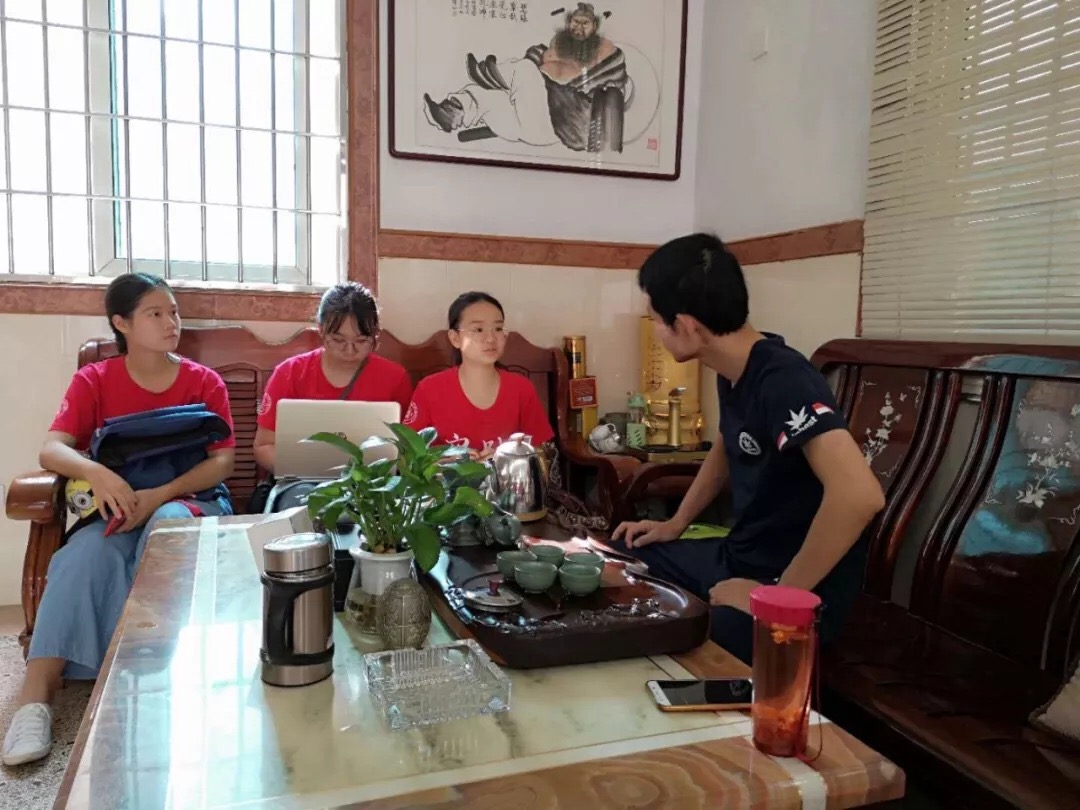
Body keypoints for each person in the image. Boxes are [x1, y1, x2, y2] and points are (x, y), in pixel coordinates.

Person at [612, 234, 885, 664]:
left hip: (799, 589)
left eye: (657, 320)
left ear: (687, 326)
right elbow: (727, 443)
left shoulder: (785, 379)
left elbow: (860, 496)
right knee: (621, 560)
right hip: (740, 557)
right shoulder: (734, 367)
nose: (657, 331)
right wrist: (675, 523)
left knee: (687, 638)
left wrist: (776, 597)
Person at [1, 273, 236, 766]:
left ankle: (144, 682)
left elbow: (222, 462)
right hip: (118, 507)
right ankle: (34, 701)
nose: (172, 322)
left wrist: (161, 495)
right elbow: (52, 448)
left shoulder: (203, 381)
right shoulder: (95, 380)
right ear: (121, 323)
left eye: (173, 311)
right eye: (156, 313)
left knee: (168, 529)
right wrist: (97, 474)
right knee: (82, 556)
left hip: (186, 499)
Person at [253, 282, 413, 474]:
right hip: (302, 479)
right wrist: (303, 470)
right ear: (321, 329)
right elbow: (264, 446)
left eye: (361, 341)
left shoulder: (395, 378)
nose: (349, 350)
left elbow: (408, 447)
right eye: (338, 340)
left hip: (372, 482)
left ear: (376, 334)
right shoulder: (290, 373)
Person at [403, 292, 554, 460]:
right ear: (455, 338)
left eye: (498, 328)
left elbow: (541, 453)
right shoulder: (429, 389)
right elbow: (406, 456)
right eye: (478, 330)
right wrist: (446, 461)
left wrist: (506, 459)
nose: (490, 338)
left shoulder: (521, 388)